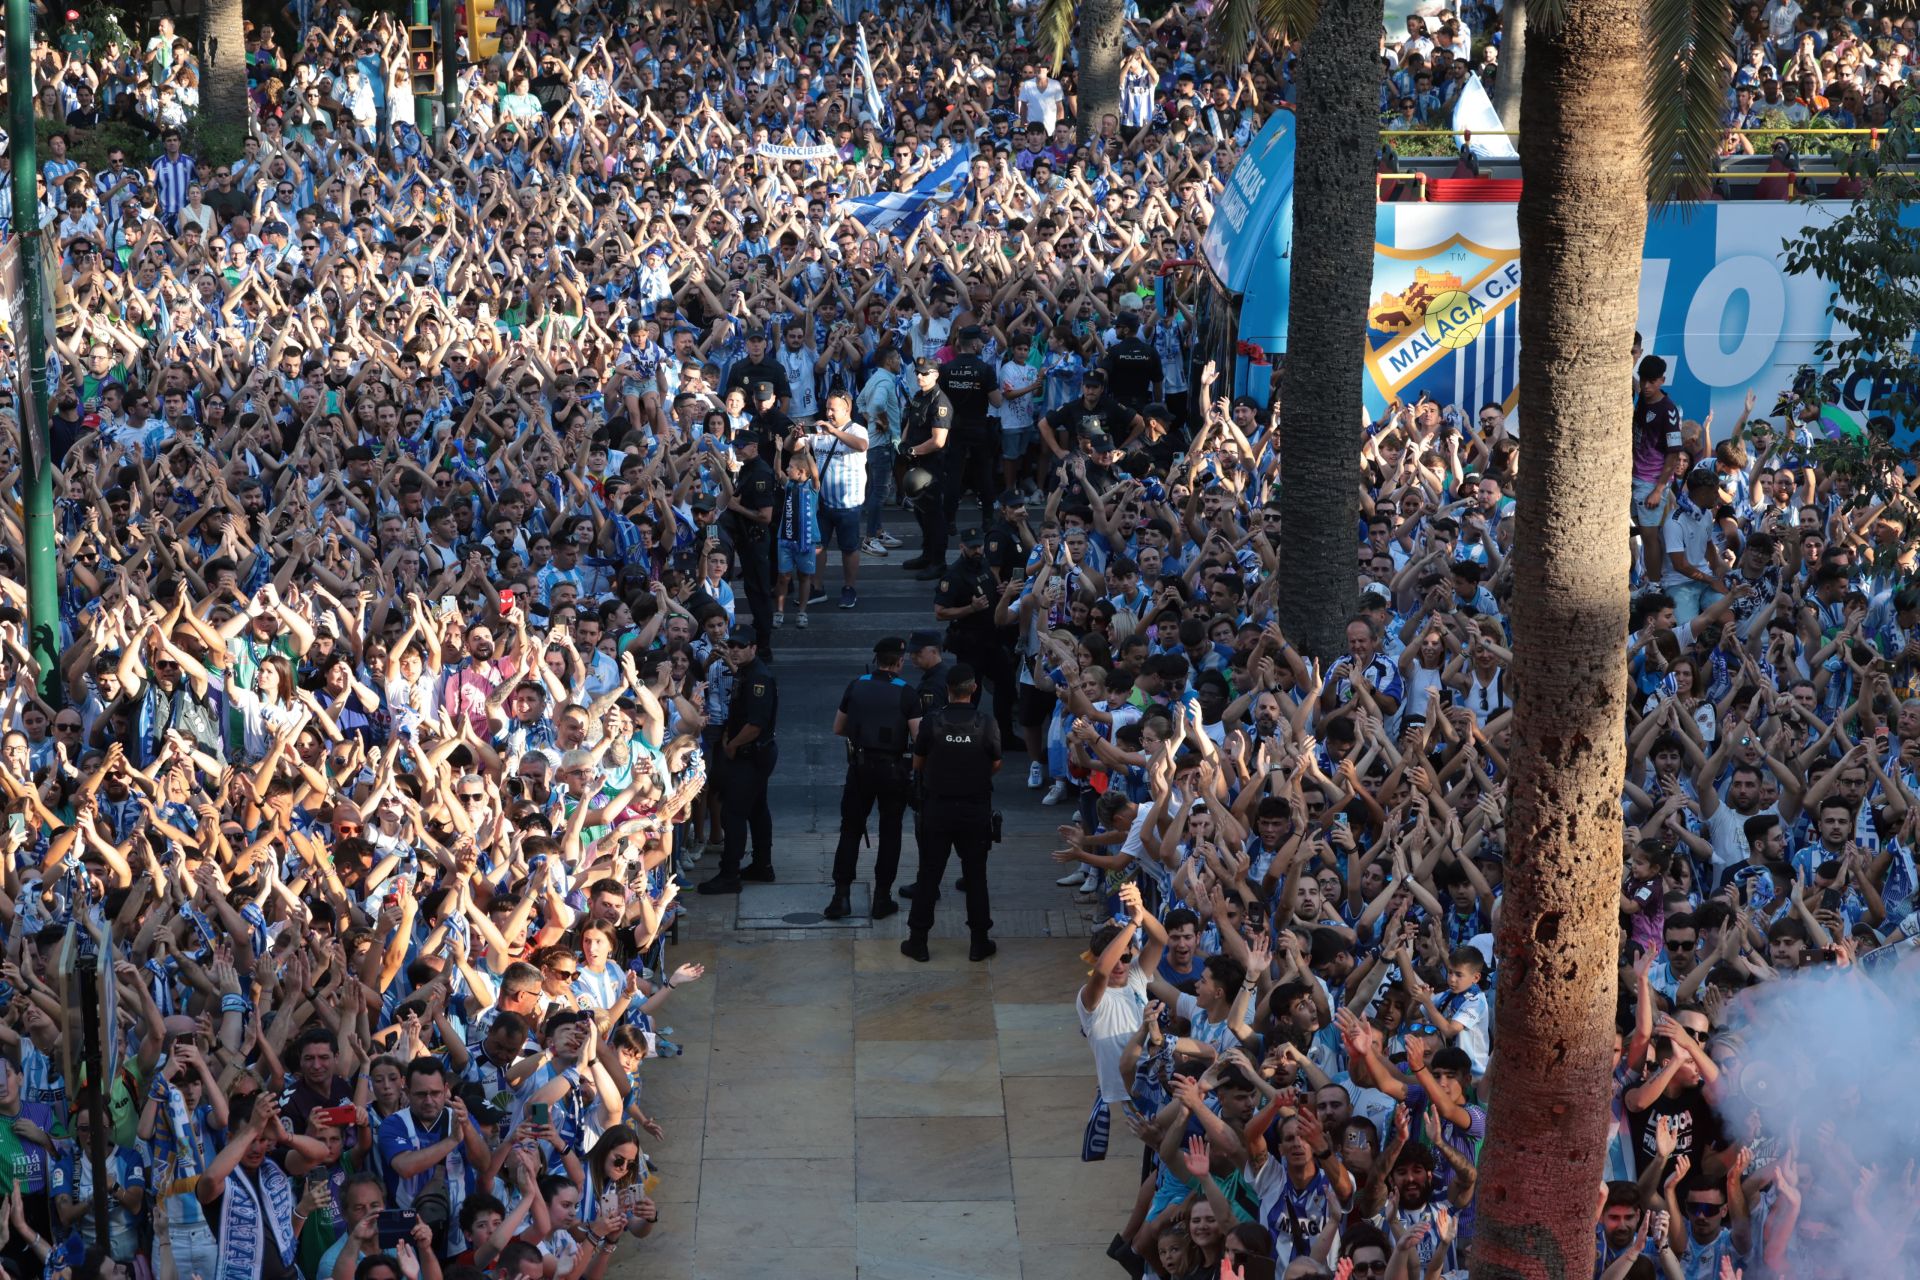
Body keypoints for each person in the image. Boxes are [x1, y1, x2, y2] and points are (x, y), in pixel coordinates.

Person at [901, 664, 1002, 964]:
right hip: (974, 809)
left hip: (937, 809)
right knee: (975, 876)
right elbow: (996, 763)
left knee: (929, 875)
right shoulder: (986, 723)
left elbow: (917, 763)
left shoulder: (933, 721)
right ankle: (979, 942)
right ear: (973, 689)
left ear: (948, 689)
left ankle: (918, 941)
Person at [826, 637, 922, 922]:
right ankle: (882, 898)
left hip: (859, 767)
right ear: (899, 662)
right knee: (890, 832)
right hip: (893, 770)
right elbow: (919, 738)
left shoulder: (857, 684)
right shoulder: (907, 693)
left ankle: (840, 897)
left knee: (851, 830)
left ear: (877, 660)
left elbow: (838, 727)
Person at [698, 626, 779, 895]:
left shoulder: (758, 679)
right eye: (731, 645)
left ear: (753, 649)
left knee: (734, 814)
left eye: (741, 646)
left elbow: (755, 725)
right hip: (752, 753)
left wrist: (732, 744)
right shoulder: (745, 673)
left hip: (750, 755)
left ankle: (730, 874)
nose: (735, 650)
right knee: (756, 809)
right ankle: (761, 865)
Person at [899, 358, 955, 578]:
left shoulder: (940, 402)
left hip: (932, 465)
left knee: (934, 515)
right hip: (917, 462)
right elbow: (911, 423)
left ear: (936, 375)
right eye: (918, 373)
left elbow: (938, 441)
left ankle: (938, 561)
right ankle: (926, 554)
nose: (919, 377)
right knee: (920, 511)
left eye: (924, 373)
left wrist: (913, 451)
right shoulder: (919, 396)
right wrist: (904, 442)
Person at [727, 429, 778, 657]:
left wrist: (737, 508)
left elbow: (765, 516)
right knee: (753, 590)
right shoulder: (748, 468)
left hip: (756, 539)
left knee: (759, 593)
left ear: (754, 447)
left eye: (741, 446)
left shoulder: (760, 474)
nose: (737, 449)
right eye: (736, 445)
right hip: (747, 539)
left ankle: (764, 645)